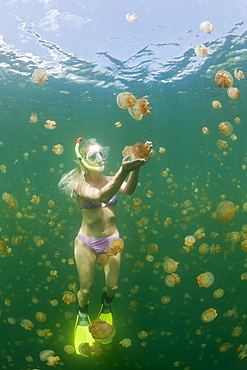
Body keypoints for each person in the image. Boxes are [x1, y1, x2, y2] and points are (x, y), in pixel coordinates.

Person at [58, 137, 152, 333]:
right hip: (85, 242)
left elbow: (129, 189)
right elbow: (102, 196)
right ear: (83, 160)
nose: (100, 158)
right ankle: (82, 312)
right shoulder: (79, 185)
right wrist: (124, 170)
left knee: (113, 286)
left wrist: (136, 168)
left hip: (112, 240)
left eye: (103, 153)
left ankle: (106, 304)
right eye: (94, 155)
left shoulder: (111, 179)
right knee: (86, 288)